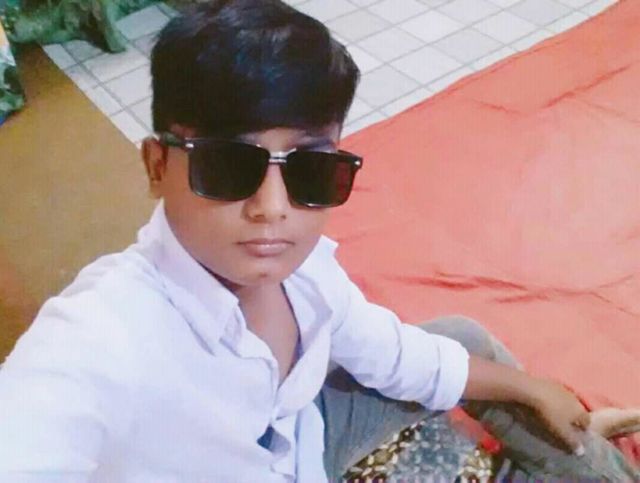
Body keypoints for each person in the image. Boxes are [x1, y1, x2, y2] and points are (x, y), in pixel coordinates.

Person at [0, 0, 638, 481]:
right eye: (227, 165)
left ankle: (589, 453)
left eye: (310, 169)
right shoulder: (102, 338)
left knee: (464, 345)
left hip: (306, 443)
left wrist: (535, 391)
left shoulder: (308, 276)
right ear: (157, 165)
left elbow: (391, 352)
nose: (272, 209)